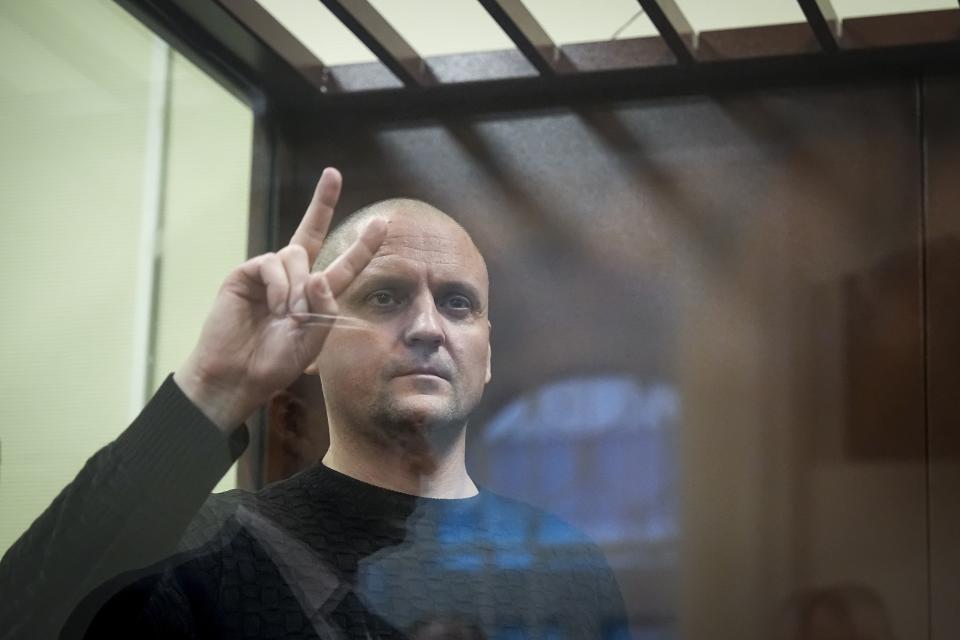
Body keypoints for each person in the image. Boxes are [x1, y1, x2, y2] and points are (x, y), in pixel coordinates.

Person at [0, 169, 628, 639]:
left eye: (458, 303)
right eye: (385, 298)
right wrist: (210, 389)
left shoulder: (567, 560)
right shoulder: (211, 546)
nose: (429, 328)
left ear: (487, 354)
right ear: (316, 339)